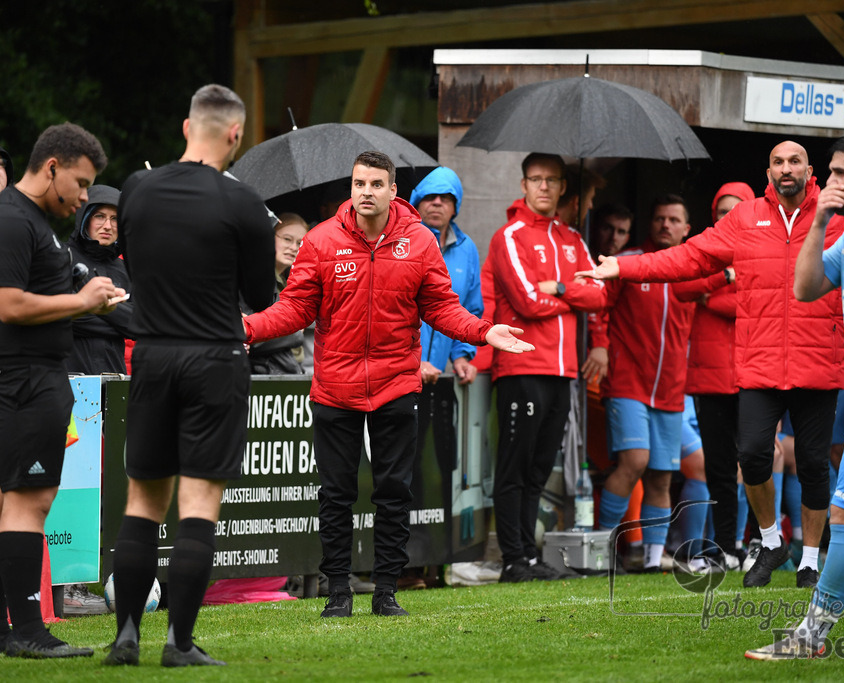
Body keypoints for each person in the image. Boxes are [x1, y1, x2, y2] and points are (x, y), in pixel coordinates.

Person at [243, 150, 533, 618]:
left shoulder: (419, 241)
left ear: (393, 191)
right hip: (335, 386)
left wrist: (484, 331)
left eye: (376, 184)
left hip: (397, 383)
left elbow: (442, 307)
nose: (366, 193)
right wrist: (249, 328)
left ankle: (386, 591)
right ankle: (337, 592)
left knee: (393, 491)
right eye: (359, 184)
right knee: (336, 493)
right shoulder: (322, 241)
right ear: (351, 189)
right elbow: (295, 308)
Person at [580, 141, 844, 590]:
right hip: (760, 362)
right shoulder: (746, 219)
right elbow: (688, 257)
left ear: (809, 170)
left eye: (794, 162)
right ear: (768, 172)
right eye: (778, 162)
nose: (787, 169)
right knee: (752, 455)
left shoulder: (837, 220)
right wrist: (625, 270)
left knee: (813, 465)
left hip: (818, 360)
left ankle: (808, 561)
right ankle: (769, 542)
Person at [104, 84, 274, 668]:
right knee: (198, 504)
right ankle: (178, 644)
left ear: (186, 127)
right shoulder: (245, 205)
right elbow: (258, 295)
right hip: (214, 359)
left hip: (150, 355)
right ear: (235, 135)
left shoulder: (136, 190)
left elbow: (131, 258)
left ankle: (125, 636)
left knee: (142, 502)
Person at [746, 132, 844, 659]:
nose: (827, 182)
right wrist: (816, 222)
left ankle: (809, 639)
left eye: (838, 173)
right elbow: (806, 287)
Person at [0, 122, 118, 659]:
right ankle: (28, 630)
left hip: (19, 376)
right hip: (22, 378)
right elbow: (8, 304)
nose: (83, 198)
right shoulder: (10, 219)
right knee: (30, 502)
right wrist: (82, 302)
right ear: (51, 166)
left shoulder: (30, 220)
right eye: (80, 184)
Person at [484, 153, 606, 582]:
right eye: (535, 179)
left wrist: (557, 288)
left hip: (563, 371)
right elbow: (524, 302)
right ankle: (512, 560)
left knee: (539, 468)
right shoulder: (509, 235)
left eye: (551, 180)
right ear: (523, 185)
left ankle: (529, 556)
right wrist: (570, 298)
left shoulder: (572, 239)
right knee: (514, 466)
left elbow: (600, 296)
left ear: (561, 188)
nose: (543, 187)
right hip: (521, 366)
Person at [592, 195, 696, 573]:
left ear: (687, 229)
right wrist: (601, 347)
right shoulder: (630, 261)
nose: (665, 225)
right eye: (659, 218)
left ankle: (652, 559)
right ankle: (601, 548)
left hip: (671, 387)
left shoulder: (693, 267)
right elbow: (599, 307)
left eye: (673, 220)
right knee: (634, 461)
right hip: (628, 380)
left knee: (661, 475)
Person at [405, 166, 482, 589]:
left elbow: (467, 308)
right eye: (430, 197)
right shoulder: (402, 242)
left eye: (446, 198)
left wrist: (463, 355)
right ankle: (405, 566)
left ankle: (438, 562)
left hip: (443, 386)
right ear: (416, 202)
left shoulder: (467, 249)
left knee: (445, 472)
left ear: (456, 206)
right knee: (407, 474)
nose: (437, 204)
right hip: (402, 380)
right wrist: (412, 359)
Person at [676, 181, 755, 568]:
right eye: (721, 211)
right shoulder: (705, 249)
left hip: (752, 375)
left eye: (735, 209)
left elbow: (755, 303)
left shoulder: (766, 246)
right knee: (719, 468)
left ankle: (760, 544)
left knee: (757, 463)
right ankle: (725, 549)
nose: (728, 218)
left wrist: (713, 297)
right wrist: (725, 277)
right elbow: (681, 289)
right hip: (709, 378)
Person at [65, 184, 132, 375]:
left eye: (114, 219)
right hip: (68, 378)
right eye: (100, 216)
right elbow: (62, 316)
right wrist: (118, 321)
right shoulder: (62, 258)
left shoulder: (126, 269)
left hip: (114, 379)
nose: (108, 226)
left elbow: (138, 324)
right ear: (85, 218)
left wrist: (91, 304)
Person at [242, 212, 308, 375]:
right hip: (264, 374)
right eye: (287, 239)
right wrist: (293, 332)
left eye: (300, 243)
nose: (293, 247)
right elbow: (245, 331)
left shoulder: (291, 281)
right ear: (270, 237)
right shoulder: (255, 277)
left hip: (287, 371)